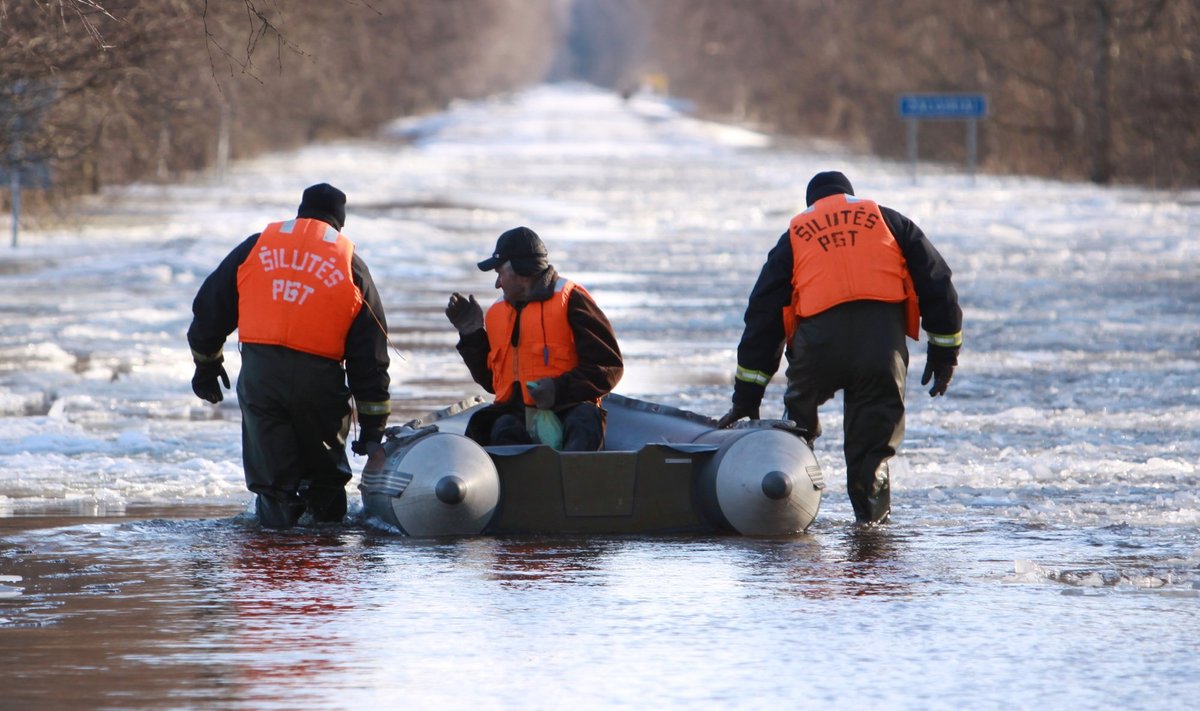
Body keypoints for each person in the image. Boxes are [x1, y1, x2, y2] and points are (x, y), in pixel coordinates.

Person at [716, 171, 962, 525]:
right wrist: (944, 352)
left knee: (798, 429)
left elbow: (763, 315)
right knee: (871, 449)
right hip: (882, 350)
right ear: (850, 195)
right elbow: (937, 282)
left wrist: (747, 397)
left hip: (817, 351)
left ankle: (787, 503)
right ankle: (872, 528)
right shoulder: (887, 220)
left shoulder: (797, 234)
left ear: (812, 203)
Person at [187, 183, 391, 529]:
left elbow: (211, 308)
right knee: (324, 481)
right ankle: (323, 562)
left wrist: (206, 364)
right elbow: (369, 356)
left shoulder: (257, 246)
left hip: (261, 378)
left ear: (301, 212)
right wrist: (372, 427)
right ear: (338, 224)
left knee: (273, 483)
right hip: (320, 384)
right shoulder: (349, 264)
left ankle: (274, 557)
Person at [445, 226, 623, 451]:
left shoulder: (572, 300)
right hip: (516, 415)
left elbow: (608, 367)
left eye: (500, 273)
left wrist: (557, 390)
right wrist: (472, 335)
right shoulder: (496, 313)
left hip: (570, 408)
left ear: (521, 271)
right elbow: (493, 382)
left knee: (584, 419)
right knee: (498, 425)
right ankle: (519, 483)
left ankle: (573, 481)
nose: (497, 283)